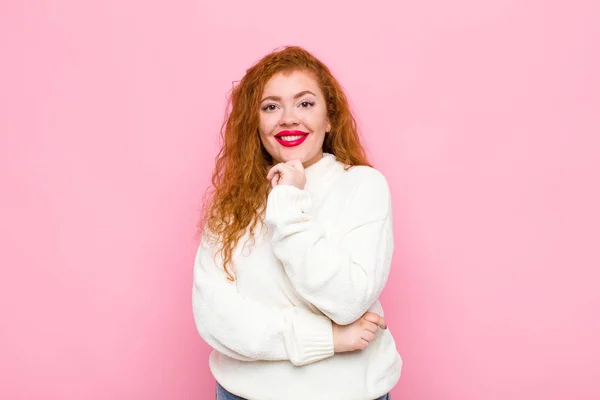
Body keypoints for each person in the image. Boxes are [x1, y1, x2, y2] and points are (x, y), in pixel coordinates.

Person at [192, 45, 402, 400]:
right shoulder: (230, 204)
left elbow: (348, 299)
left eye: (305, 103)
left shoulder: (362, 185)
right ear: (254, 122)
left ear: (330, 117)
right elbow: (216, 318)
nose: (288, 118)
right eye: (271, 106)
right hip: (242, 394)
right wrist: (329, 339)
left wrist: (288, 202)